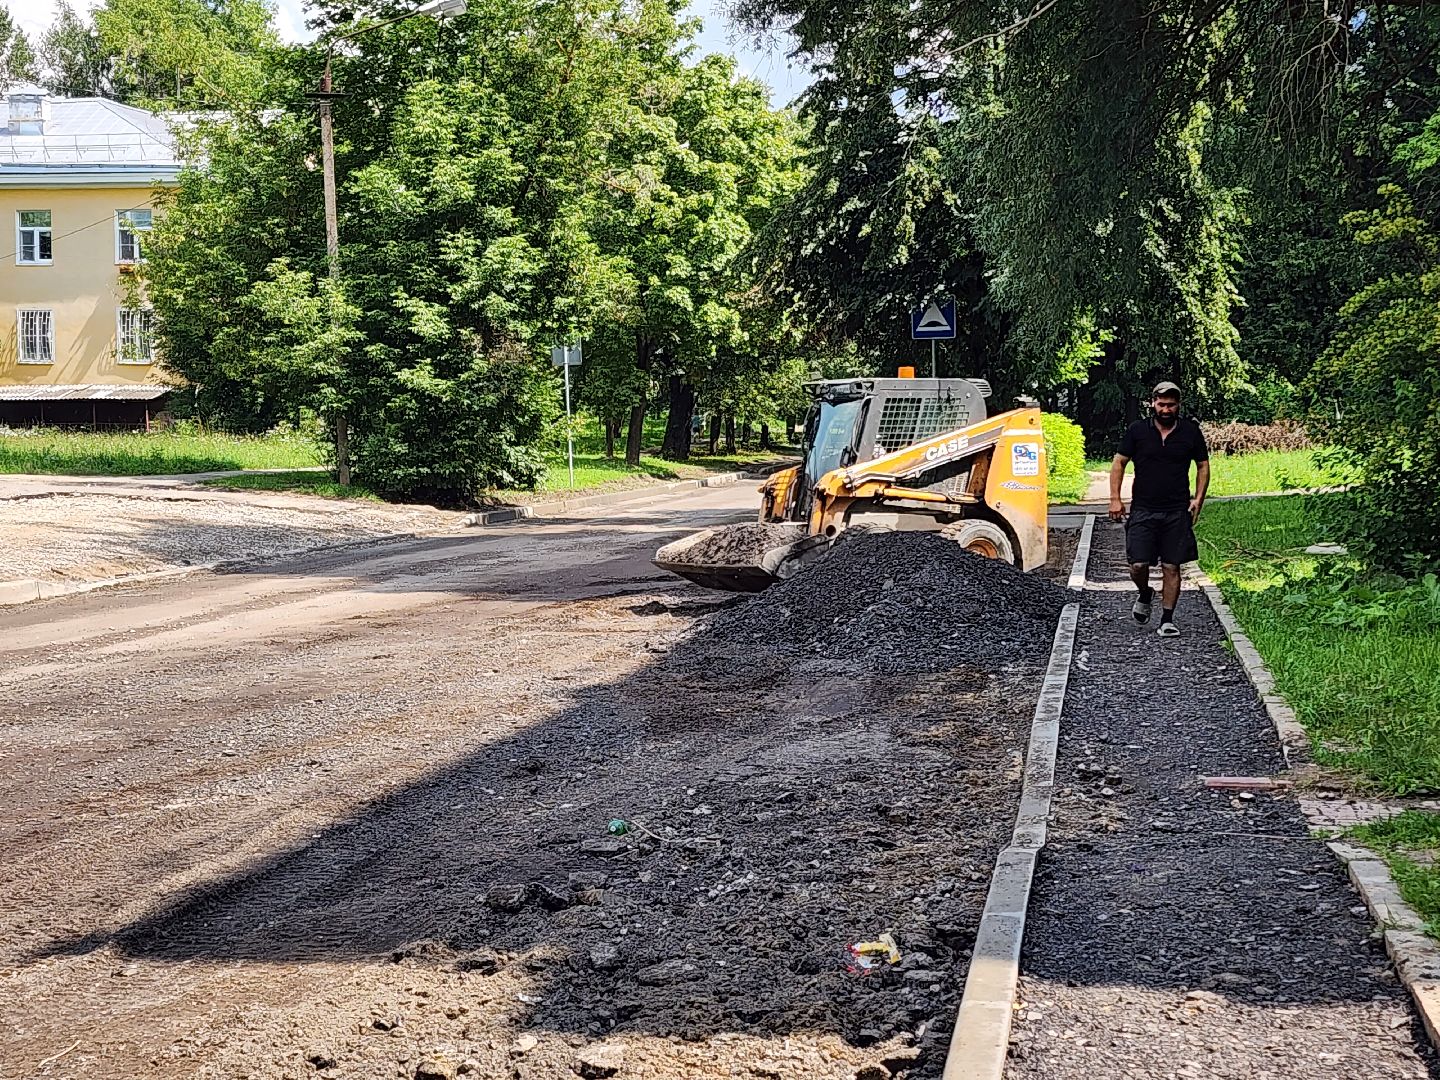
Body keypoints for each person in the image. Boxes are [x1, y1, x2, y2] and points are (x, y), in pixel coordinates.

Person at [1108, 381, 1210, 637]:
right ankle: (1145, 592)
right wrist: (1114, 498)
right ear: (1153, 404)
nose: (1166, 409)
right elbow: (1119, 462)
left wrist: (1198, 498)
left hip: (1176, 509)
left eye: (1171, 405)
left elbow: (1203, 465)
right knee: (1138, 564)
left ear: (1178, 405)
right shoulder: (1137, 431)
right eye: (1161, 404)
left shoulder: (1190, 432)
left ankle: (1167, 619)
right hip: (1143, 507)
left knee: (1172, 566)